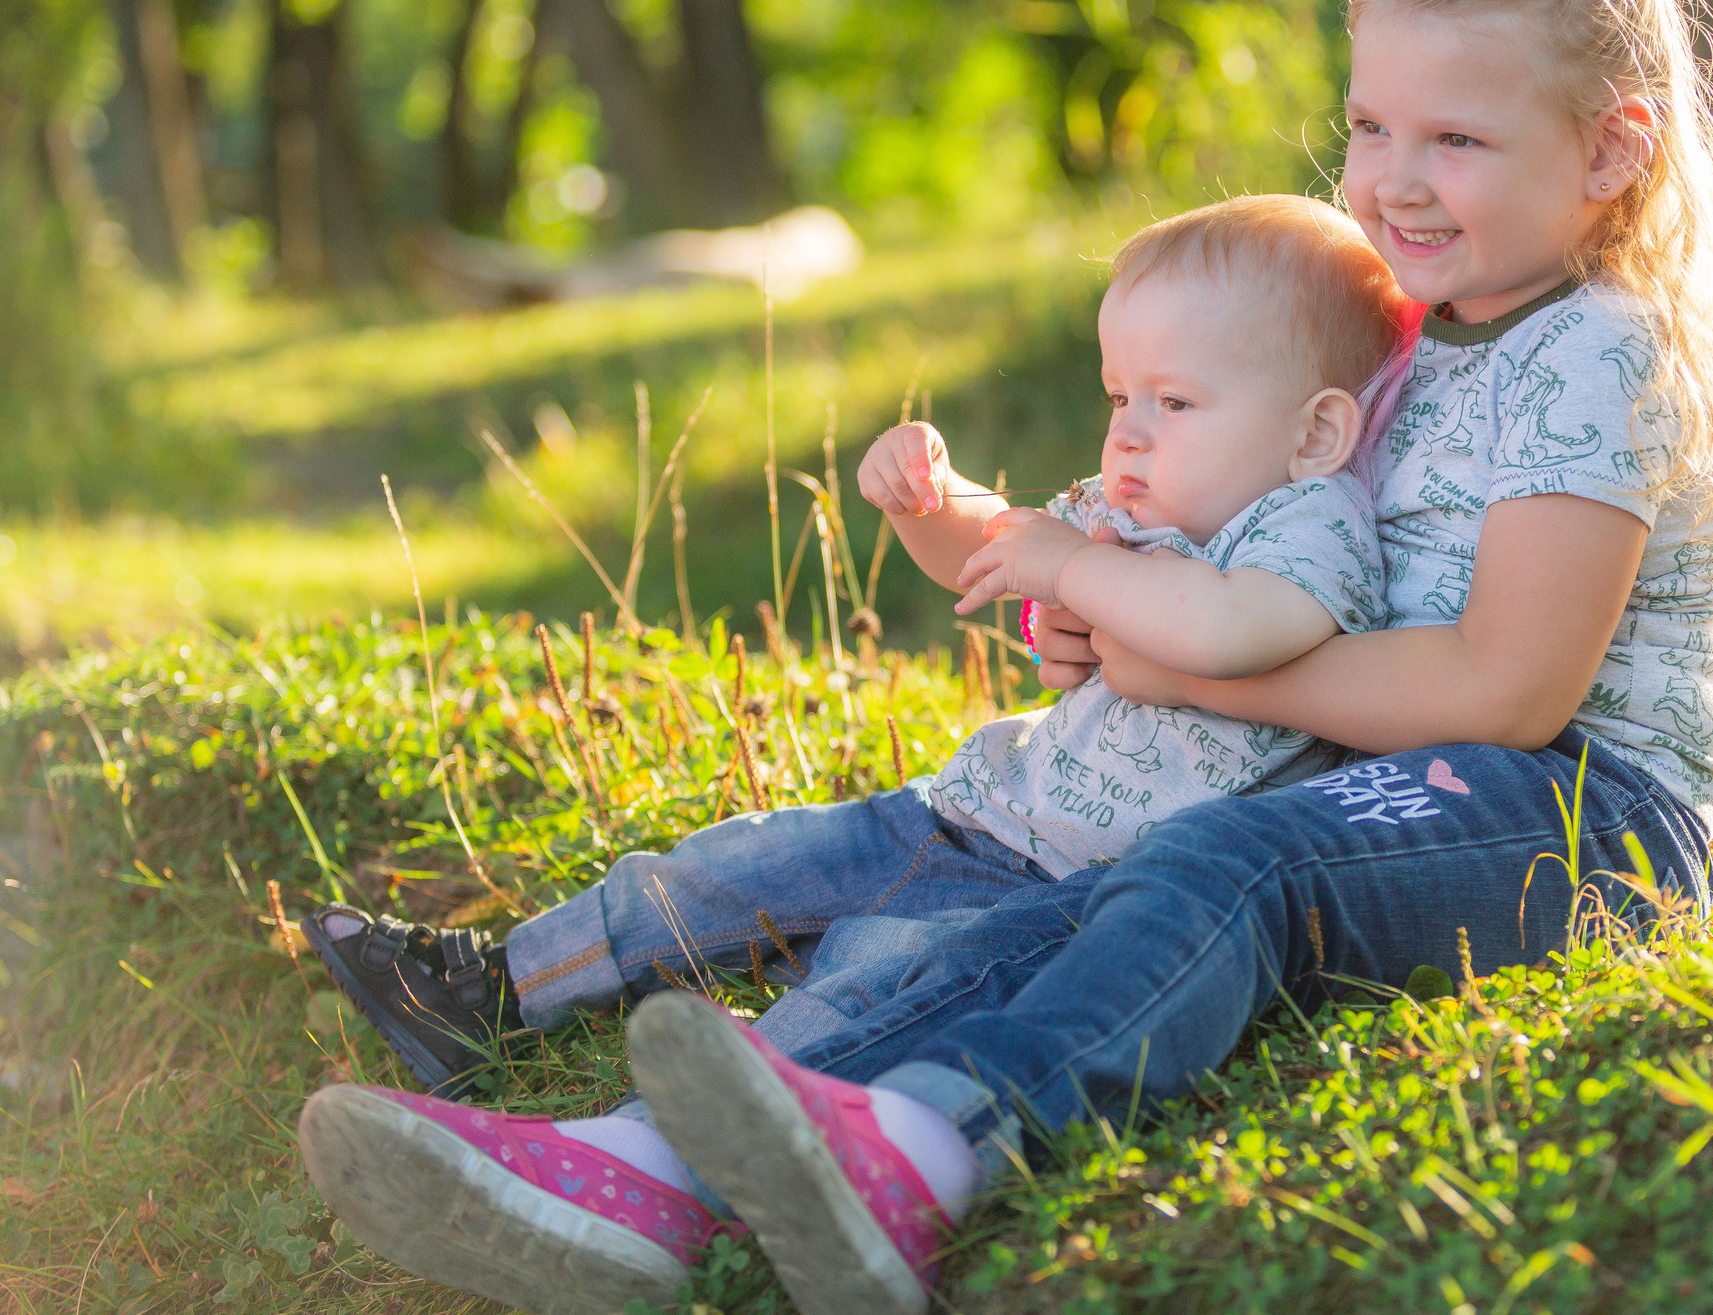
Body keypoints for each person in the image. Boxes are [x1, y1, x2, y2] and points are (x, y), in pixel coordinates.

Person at [600, 0, 1713, 1315]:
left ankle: (939, 1138)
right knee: (1071, 896)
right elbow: (1275, 547)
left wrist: (1192, 668)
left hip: (1582, 818)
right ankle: (659, 1157)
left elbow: (1509, 692)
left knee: (1223, 864)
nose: (1391, 175)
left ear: (1613, 148)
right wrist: (1111, 600)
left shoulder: (1596, 348)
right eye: (1371, 123)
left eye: (1454, 135)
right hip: (1398, 765)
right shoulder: (1405, 329)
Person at [295, 195, 1412, 1315]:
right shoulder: (1128, 502)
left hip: (1063, 891)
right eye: (1120, 395)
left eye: (1174, 401)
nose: (1128, 433)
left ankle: (633, 1172)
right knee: (724, 869)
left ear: (1314, 432)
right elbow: (994, 543)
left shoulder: (1307, 530)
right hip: (963, 808)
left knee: (861, 985)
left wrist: (1074, 570)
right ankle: (491, 990)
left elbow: (1228, 631)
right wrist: (931, 497)